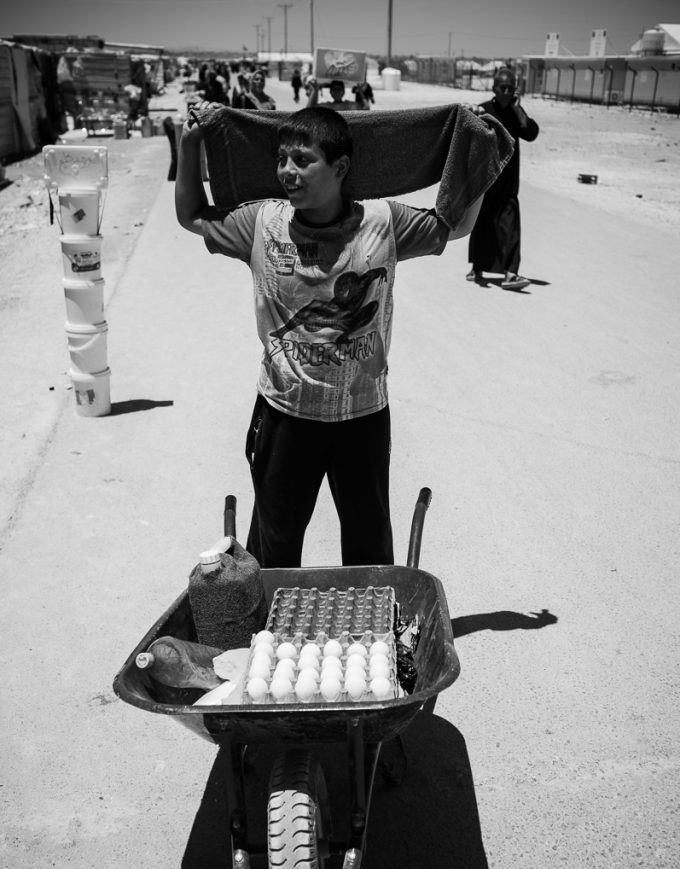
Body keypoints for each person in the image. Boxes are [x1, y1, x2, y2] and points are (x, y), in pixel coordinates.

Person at [175, 106, 482, 568]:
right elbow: (191, 215)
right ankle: (269, 636)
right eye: (281, 159)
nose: (286, 172)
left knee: (368, 542)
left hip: (362, 416)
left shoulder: (383, 223)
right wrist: (189, 145)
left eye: (302, 160)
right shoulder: (261, 224)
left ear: (340, 168)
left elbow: (455, 224)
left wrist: (476, 149)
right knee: (274, 544)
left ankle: (367, 630)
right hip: (285, 414)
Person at [466, 67, 539, 291]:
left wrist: (519, 112)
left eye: (511, 88)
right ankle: (477, 267)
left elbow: (531, 133)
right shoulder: (484, 110)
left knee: (510, 227)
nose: (507, 92)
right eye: (502, 88)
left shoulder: (517, 114)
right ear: (494, 88)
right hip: (486, 182)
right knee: (482, 225)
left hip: (508, 185)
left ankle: (511, 273)